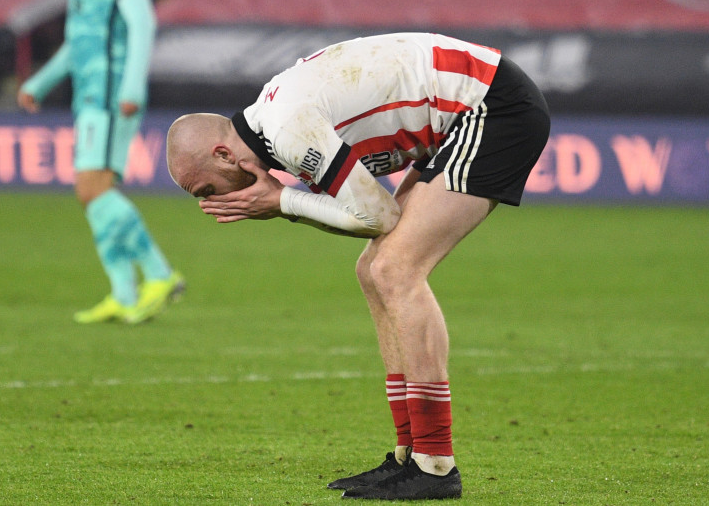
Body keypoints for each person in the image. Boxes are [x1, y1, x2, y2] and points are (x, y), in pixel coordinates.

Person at [166, 32, 550, 500]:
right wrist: (285, 201)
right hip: (462, 111)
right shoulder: (275, 126)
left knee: (396, 270)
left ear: (224, 154)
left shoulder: (287, 130)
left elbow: (377, 215)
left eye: (207, 190)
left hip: (492, 107)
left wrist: (284, 200)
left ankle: (434, 464)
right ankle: (409, 456)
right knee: (373, 270)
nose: (216, 202)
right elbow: (366, 218)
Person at [18, 0, 183, 324]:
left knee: (92, 188)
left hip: (111, 92)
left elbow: (142, 22)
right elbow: (81, 41)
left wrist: (131, 86)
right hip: (92, 92)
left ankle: (159, 273)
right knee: (93, 192)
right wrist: (41, 83)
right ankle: (125, 295)